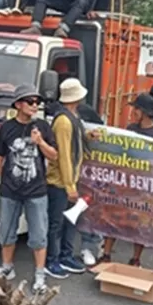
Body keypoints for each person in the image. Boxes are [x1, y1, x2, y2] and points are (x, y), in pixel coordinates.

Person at [0, 84, 58, 293]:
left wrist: (40, 142)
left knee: (38, 235)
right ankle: (7, 267)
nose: (35, 106)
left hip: (36, 191)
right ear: (18, 105)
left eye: (37, 102)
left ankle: (39, 275)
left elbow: (54, 156)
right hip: (10, 189)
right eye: (30, 102)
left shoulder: (43, 127)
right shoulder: (7, 127)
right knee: (6, 232)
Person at [98, 93, 153, 267]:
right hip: (125, 183)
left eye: (136, 108)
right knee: (114, 218)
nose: (133, 112)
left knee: (139, 224)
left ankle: (135, 259)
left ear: (143, 111)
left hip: (143, 186)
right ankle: (106, 254)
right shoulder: (131, 129)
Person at [45, 78, 95, 278]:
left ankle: (64, 256)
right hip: (60, 182)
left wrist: (89, 137)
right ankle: (52, 260)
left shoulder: (71, 117)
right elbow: (64, 155)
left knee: (69, 221)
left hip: (69, 179)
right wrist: (69, 186)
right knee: (56, 223)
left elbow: (74, 143)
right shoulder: (64, 121)